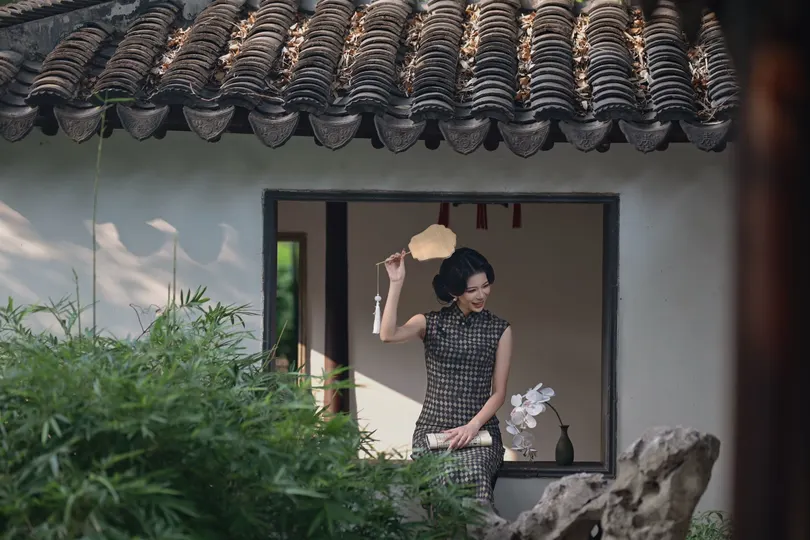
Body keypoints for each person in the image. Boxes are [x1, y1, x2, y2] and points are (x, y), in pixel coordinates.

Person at [379, 247, 513, 507]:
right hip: (433, 432)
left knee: (476, 477)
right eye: (472, 290)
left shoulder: (500, 329)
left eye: (485, 286)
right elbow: (388, 335)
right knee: (443, 480)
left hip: (480, 434)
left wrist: (472, 426)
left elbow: (499, 393)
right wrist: (396, 282)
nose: (481, 295)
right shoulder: (429, 323)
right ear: (454, 291)